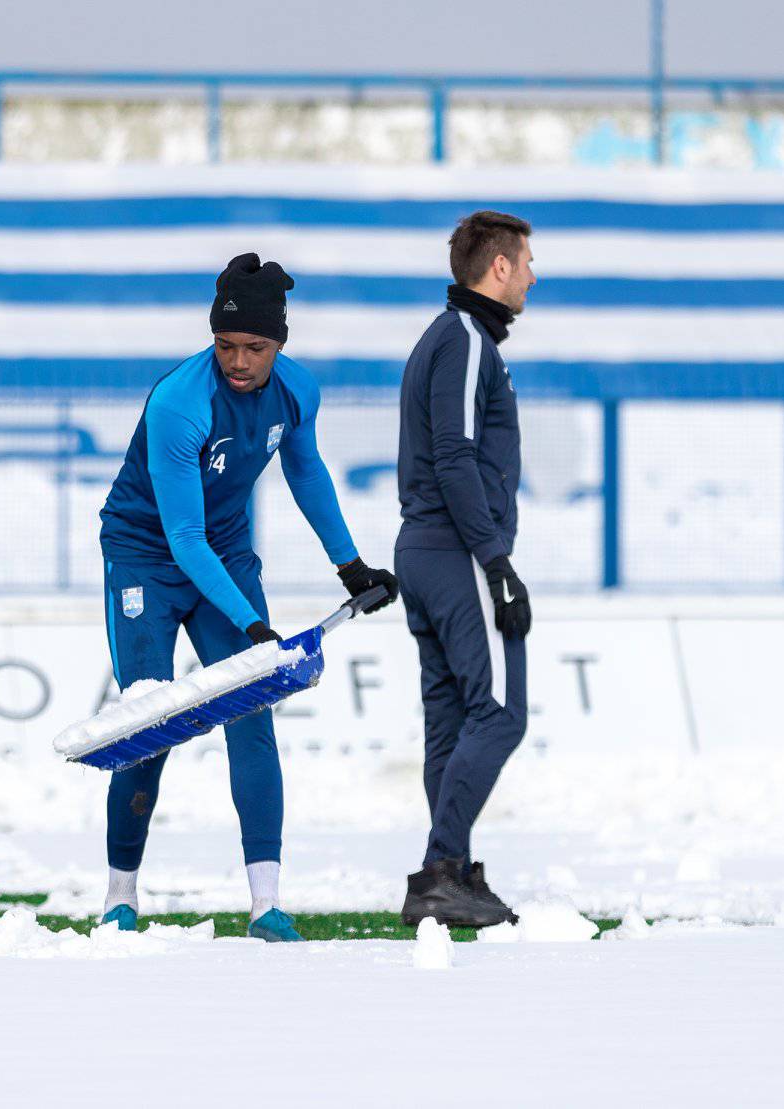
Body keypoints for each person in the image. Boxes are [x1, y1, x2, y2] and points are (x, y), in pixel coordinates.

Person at [97, 253, 399, 942]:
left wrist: (349, 565)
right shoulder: (179, 402)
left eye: (255, 348)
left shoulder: (296, 391)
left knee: (252, 720)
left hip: (223, 553)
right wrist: (251, 622)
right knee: (148, 722)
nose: (238, 360)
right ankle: (120, 896)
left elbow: (306, 471)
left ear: (280, 344)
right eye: (226, 345)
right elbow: (180, 534)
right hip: (147, 554)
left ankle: (266, 905)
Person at [395, 211, 537, 928]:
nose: (533, 275)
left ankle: (451, 872)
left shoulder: (449, 339)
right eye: (527, 261)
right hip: (453, 550)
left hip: (425, 548)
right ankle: (441, 869)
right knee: (502, 713)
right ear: (500, 267)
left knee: (451, 724)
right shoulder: (465, 340)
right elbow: (454, 455)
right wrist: (496, 560)